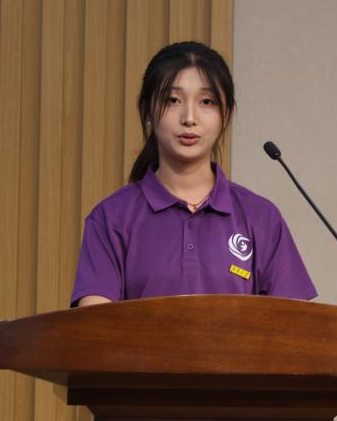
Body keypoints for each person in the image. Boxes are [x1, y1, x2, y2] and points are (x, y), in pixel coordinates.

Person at [70, 41, 317, 307]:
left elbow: (292, 323)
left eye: (206, 102)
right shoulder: (110, 218)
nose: (189, 118)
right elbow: (95, 324)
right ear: (148, 110)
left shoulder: (261, 217)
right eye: (173, 100)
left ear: (226, 114)